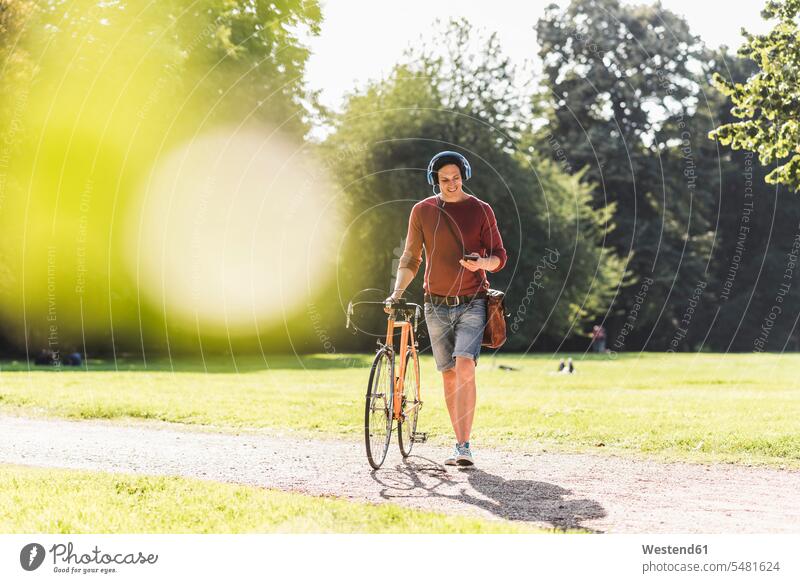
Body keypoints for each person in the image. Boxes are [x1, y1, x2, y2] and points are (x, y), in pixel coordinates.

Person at [386, 151, 507, 467]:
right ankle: (459, 441)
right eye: (444, 179)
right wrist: (397, 292)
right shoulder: (422, 211)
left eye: (455, 178)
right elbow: (411, 259)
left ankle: (463, 446)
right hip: (435, 305)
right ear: (435, 181)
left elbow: (498, 257)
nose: (451, 184)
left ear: (463, 176)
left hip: (472, 302)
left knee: (465, 366)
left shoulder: (481, 210)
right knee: (449, 375)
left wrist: (481, 263)